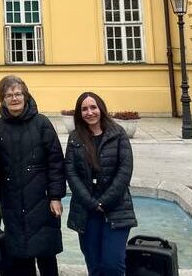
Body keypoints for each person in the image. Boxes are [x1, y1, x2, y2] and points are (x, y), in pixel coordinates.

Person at [0, 75, 65, 276]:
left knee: (46, 256)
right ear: (2, 99)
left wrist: (56, 196)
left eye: (18, 94)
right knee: (21, 259)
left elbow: (56, 161)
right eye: (9, 95)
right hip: (12, 202)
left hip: (41, 201)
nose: (14, 98)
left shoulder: (42, 123)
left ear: (25, 96)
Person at [65, 92, 137, 276]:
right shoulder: (75, 138)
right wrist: (90, 202)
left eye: (93, 107)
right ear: (79, 114)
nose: (89, 112)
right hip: (87, 211)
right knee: (95, 266)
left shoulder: (118, 133)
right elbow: (71, 172)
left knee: (113, 265)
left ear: (101, 108)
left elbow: (125, 170)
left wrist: (104, 201)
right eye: (84, 109)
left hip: (116, 208)